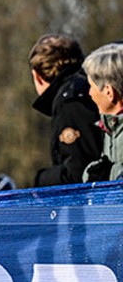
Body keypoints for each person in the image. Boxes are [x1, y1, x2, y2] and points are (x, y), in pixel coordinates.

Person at [28, 34, 103, 187]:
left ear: (37, 76)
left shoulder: (70, 101)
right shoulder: (93, 86)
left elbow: (78, 173)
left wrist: (40, 179)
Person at [80, 43, 123, 182]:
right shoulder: (111, 126)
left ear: (109, 92)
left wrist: (109, 174)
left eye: (91, 87)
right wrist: (92, 172)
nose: (89, 93)